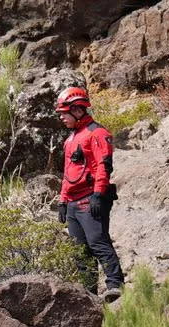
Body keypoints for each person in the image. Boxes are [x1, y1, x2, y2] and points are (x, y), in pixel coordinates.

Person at [55, 86, 124, 302]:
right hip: (74, 203)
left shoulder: (98, 133)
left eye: (64, 113)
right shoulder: (70, 139)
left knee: (98, 242)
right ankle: (89, 294)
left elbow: (104, 166)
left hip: (90, 199)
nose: (61, 118)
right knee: (80, 251)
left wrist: (98, 194)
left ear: (77, 110)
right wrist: (63, 201)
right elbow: (68, 173)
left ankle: (115, 285)